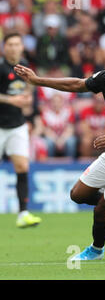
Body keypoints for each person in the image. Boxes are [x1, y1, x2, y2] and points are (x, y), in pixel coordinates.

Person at [14, 48, 105, 260]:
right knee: (77, 195)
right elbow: (76, 84)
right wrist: (38, 81)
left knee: (101, 210)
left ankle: (96, 250)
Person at [0, 33, 41, 228]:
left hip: (17, 124)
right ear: (4, 47)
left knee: (22, 167)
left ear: (22, 47)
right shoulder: (0, 67)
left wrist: (27, 97)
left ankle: (23, 213)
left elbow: (30, 87)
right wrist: (11, 100)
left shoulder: (24, 65)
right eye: (10, 44)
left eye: (17, 44)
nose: (14, 48)